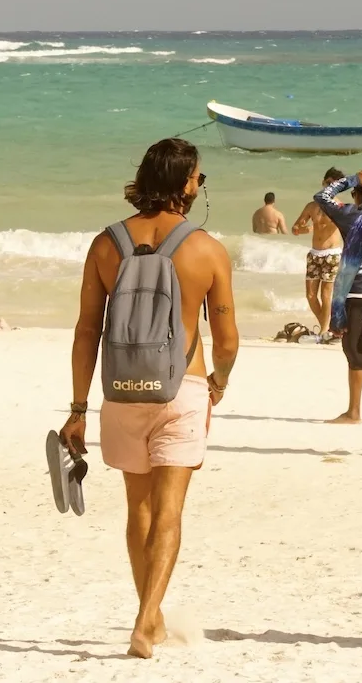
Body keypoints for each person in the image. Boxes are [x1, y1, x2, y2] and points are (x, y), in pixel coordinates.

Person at [59, 138, 239, 659]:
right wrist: (218, 383)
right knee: (169, 511)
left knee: (137, 507)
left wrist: (77, 407)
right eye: (199, 179)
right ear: (185, 184)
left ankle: (151, 617)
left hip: (121, 390)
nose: (199, 186)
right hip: (182, 386)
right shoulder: (206, 249)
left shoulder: (105, 244)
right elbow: (226, 339)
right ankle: (145, 621)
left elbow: (85, 331)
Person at [313, 169, 362, 423]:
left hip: (357, 293)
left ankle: (354, 411)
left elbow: (322, 196)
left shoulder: (350, 216)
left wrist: (352, 180)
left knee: (355, 352)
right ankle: (353, 412)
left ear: (357, 195)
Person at [291, 167, 345, 336]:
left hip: (332, 254)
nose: (330, 187)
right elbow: (295, 227)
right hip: (315, 254)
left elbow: (348, 226)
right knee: (311, 295)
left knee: (326, 294)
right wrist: (301, 229)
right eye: (328, 183)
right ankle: (327, 327)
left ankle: (324, 330)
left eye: (334, 185)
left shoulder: (339, 207)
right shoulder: (311, 206)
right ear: (323, 182)